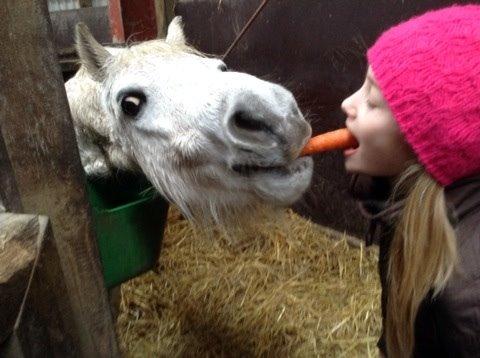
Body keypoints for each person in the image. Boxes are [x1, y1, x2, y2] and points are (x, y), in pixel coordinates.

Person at [340, 4, 480, 357]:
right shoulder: (399, 196)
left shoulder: (464, 311)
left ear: (428, 142)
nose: (347, 103)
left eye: (372, 100)